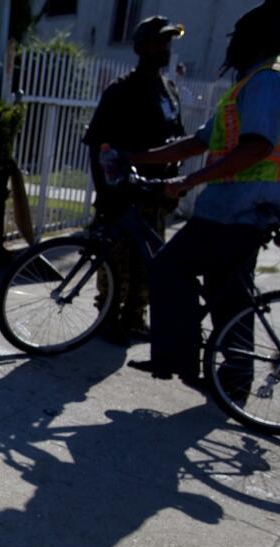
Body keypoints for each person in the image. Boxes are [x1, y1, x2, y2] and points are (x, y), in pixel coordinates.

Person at [125, 0, 280, 388]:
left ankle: (178, 359)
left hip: (238, 207)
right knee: (229, 291)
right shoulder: (250, 82)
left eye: (237, 37)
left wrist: (188, 182)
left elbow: (256, 146)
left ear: (255, 39)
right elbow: (197, 142)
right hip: (238, 205)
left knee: (169, 267)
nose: (231, 45)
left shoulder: (269, 81)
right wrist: (136, 157)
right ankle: (234, 376)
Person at [82, 15, 186, 344]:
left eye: (168, 42)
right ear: (141, 48)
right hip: (122, 194)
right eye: (159, 42)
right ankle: (109, 316)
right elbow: (98, 145)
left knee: (148, 262)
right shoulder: (121, 91)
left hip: (154, 195)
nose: (165, 48)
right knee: (115, 260)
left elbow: (176, 140)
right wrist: (106, 193)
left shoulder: (168, 91)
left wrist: (174, 185)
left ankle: (135, 317)